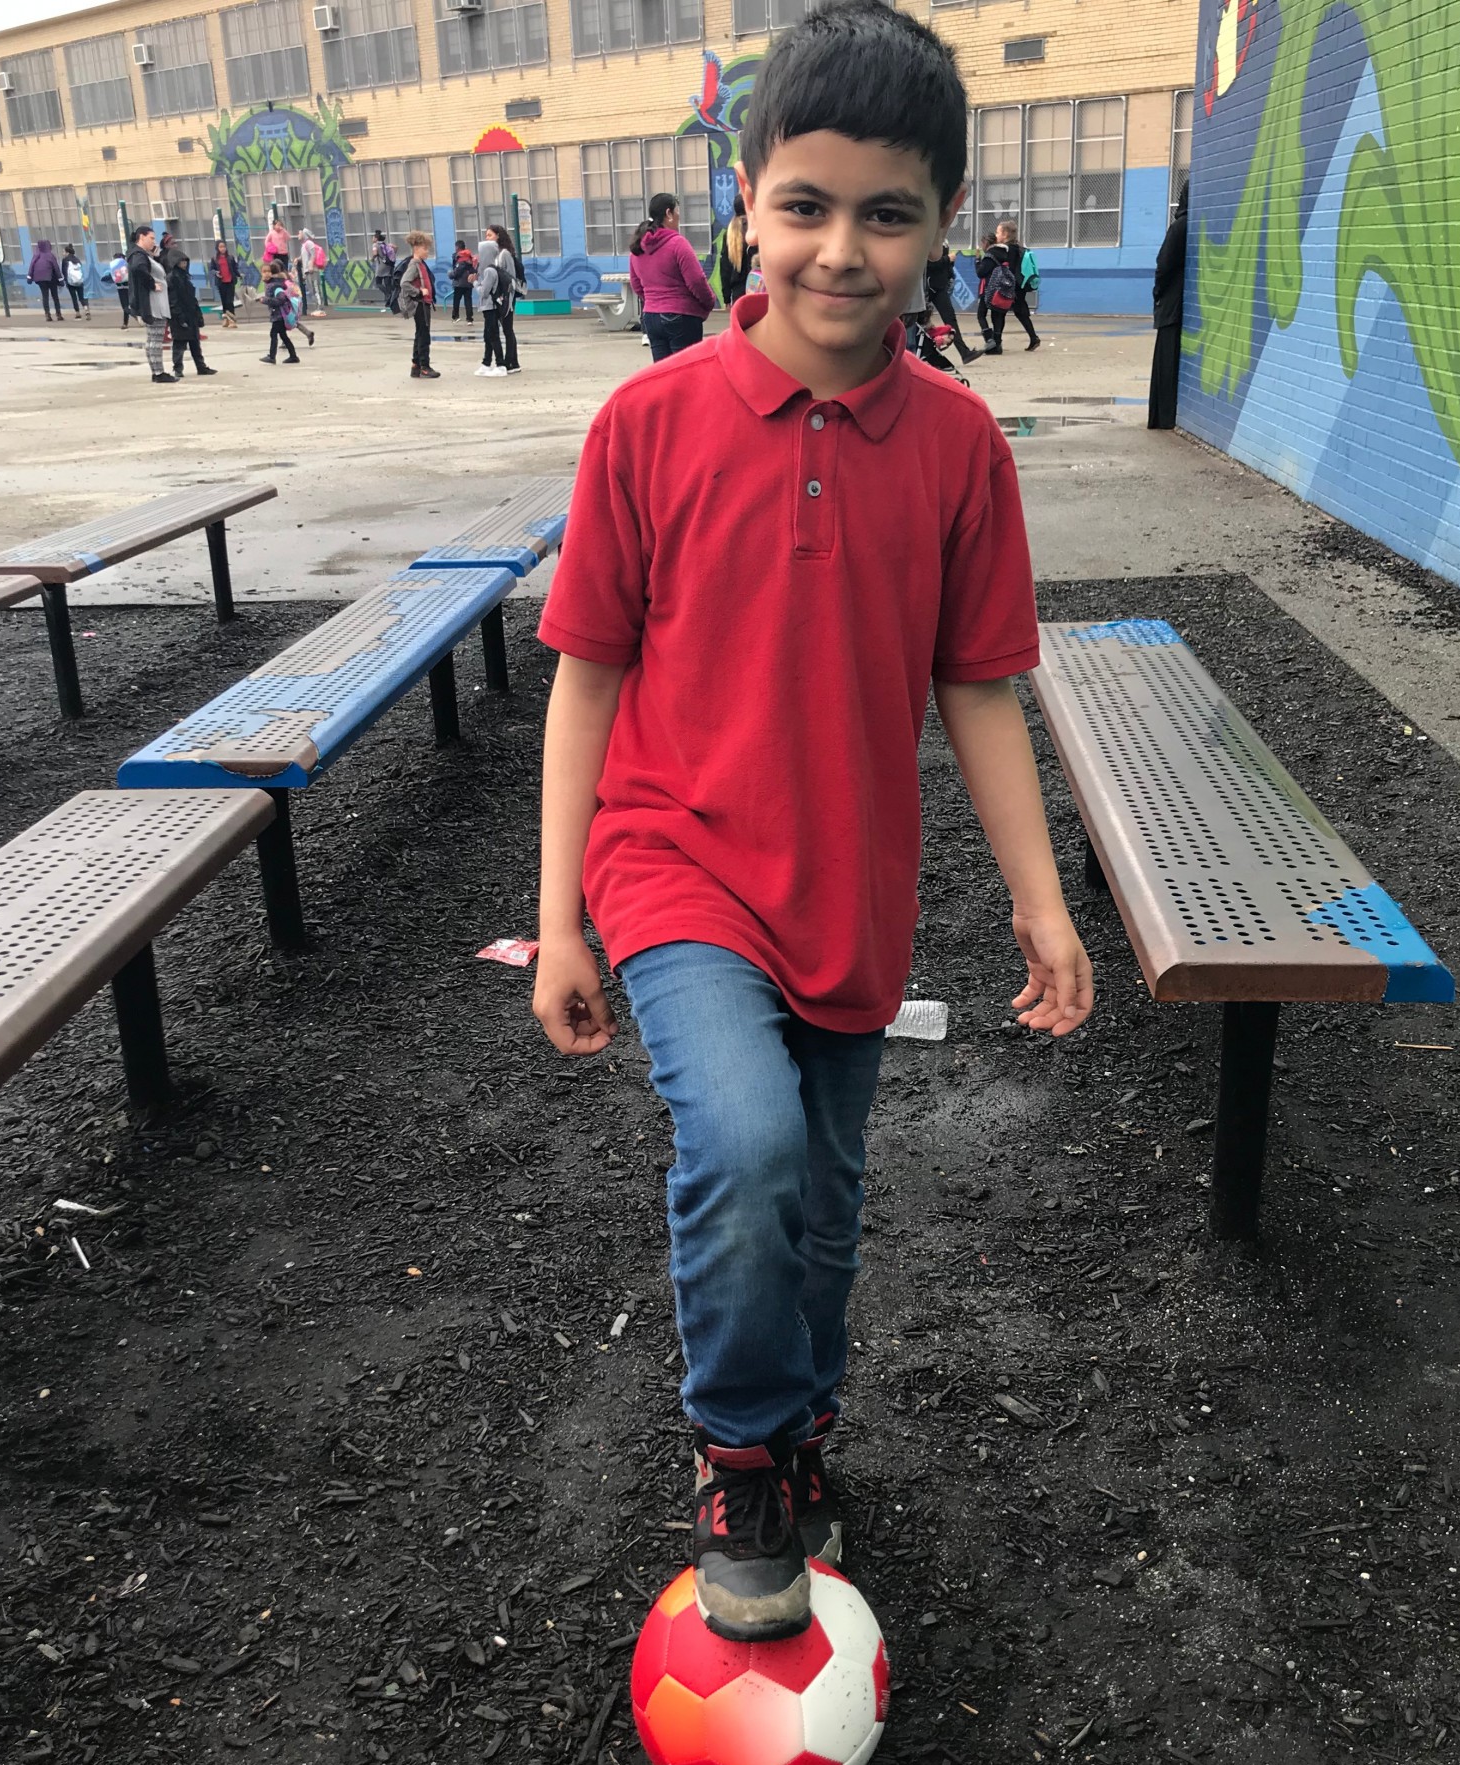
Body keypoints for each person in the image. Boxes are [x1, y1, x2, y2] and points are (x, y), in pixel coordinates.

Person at [532, 0, 1093, 1643]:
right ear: (745, 204)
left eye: (887, 213)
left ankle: (799, 1422)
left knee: (824, 1204)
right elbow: (583, 677)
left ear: (938, 229)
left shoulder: (961, 448)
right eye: (805, 205)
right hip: (673, 863)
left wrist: (1041, 905)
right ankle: (739, 1452)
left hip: (849, 895)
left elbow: (979, 691)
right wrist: (563, 911)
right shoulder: (648, 427)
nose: (840, 250)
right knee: (751, 1145)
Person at [628, 192, 715, 362]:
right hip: (681, 317)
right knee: (687, 374)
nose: (679, 216)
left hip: (651, 317)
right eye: (677, 212)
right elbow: (696, 280)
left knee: (663, 375)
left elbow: (636, 285)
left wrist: (654, 301)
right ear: (668, 213)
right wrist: (709, 301)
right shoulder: (677, 243)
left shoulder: (638, 247)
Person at [1149, 182, 1189, 431]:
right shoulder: (1196, 225)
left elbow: (1164, 265)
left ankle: (1162, 417)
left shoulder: (1180, 227)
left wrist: (1158, 292)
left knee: (1165, 362)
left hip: (1172, 305)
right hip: (1183, 303)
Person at [977, 218, 1040, 354]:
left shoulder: (1007, 250)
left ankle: (997, 343)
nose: (996, 235)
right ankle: (1033, 337)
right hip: (1017, 285)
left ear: (1005, 235)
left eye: (998, 232)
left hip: (1009, 286)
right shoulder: (1017, 248)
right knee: (1020, 312)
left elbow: (1005, 269)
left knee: (999, 313)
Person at [126, 225, 174, 383]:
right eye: (151, 238)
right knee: (155, 339)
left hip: (155, 304)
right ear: (141, 237)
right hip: (153, 305)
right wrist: (152, 284)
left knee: (154, 339)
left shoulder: (143, 255)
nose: (154, 242)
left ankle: (157, 371)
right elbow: (138, 269)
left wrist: (154, 257)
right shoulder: (138, 255)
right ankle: (158, 372)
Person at [925, 236, 980, 363]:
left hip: (939, 286)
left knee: (950, 319)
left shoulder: (943, 240)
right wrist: (947, 259)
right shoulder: (929, 240)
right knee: (921, 322)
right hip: (929, 287)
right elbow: (927, 264)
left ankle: (964, 352)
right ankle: (924, 353)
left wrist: (949, 264)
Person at [474, 229, 519, 377]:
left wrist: (475, 283)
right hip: (492, 304)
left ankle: (504, 363)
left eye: (490, 235)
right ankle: (487, 363)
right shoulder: (489, 267)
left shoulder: (494, 265)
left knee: (498, 333)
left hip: (495, 304)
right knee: (490, 335)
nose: (487, 237)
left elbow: (485, 291)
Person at [166, 247, 216, 377]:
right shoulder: (172, 278)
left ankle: (201, 366)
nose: (184, 264)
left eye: (185, 262)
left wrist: (198, 315)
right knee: (179, 344)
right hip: (179, 316)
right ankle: (178, 369)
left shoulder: (185, 277)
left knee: (195, 343)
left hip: (190, 314)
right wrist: (179, 316)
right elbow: (173, 299)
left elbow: (192, 298)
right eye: (181, 262)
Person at [398, 231, 439, 378]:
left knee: (420, 334)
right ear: (417, 249)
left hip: (423, 304)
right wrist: (419, 292)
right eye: (425, 248)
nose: (427, 251)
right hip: (420, 304)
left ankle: (416, 365)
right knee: (424, 335)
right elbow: (404, 283)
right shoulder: (414, 265)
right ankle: (424, 366)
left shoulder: (420, 264)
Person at [259, 258, 301, 364]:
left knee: (273, 333)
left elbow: (281, 299)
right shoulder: (273, 283)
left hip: (279, 315)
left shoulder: (275, 285)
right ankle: (293, 356)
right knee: (283, 335)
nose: (266, 274)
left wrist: (265, 300)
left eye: (268, 271)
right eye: (264, 272)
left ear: (273, 273)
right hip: (278, 314)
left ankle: (272, 357)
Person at [717, 193, 752, 308]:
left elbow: (725, 267)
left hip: (737, 294)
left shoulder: (730, 232)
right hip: (757, 288)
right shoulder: (755, 230)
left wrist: (726, 297)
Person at [28, 238, 63, 321]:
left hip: (39, 279)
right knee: (55, 296)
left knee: (45, 296)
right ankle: (58, 314)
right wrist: (61, 280)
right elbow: (56, 268)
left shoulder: (36, 255)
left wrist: (29, 277)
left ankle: (47, 314)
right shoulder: (50, 255)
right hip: (51, 278)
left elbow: (31, 267)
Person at [211, 239, 240, 327]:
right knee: (224, 302)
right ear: (217, 248)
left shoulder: (230, 257)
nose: (222, 248)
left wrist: (239, 275)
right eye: (220, 247)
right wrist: (216, 273)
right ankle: (226, 319)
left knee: (229, 301)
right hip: (221, 282)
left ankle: (232, 320)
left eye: (224, 246)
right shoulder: (214, 259)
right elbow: (211, 269)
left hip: (230, 281)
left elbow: (235, 268)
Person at [298, 229, 327, 316]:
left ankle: (320, 308)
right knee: (312, 290)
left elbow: (313, 254)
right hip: (307, 271)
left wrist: (310, 265)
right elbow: (304, 256)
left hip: (312, 270)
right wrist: (298, 259)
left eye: (300, 233)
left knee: (315, 288)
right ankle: (317, 307)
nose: (298, 234)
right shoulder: (304, 245)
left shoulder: (309, 243)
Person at [450, 239, 477, 323]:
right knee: (468, 300)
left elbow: (458, 270)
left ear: (457, 247)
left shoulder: (460, 257)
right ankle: (469, 319)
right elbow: (473, 268)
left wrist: (451, 275)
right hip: (468, 282)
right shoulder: (469, 256)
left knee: (456, 300)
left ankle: (455, 317)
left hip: (459, 283)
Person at [371, 230, 398, 312]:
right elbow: (396, 248)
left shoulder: (375, 245)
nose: (372, 239)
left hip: (380, 266)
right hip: (388, 266)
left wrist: (372, 259)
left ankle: (388, 295)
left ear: (376, 238)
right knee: (388, 284)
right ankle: (389, 302)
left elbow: (375, 253)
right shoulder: (386, 244)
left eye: (373, 237)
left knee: (378, 283)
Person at [61, 244, 90, 318]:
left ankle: (77, 313)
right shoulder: (77, 259)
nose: (63, 253)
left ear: (67, 252)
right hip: (79, 281)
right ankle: (86, 309)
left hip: (70, 282)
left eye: (63, 252)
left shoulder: (65, 260)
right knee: (81, 297)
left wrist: (65, 281)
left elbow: (64, 271)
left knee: (74, 297)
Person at [109, 251, 131, 327]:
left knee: (125, 306)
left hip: (120, 288)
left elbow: (111, 276)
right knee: (128, 305)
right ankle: (126, 323)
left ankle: (126, 323)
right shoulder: (126, 264)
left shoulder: (113, 266)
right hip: (128, 287)